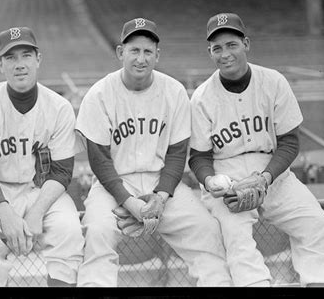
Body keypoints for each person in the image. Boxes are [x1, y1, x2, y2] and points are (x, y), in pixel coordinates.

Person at [75, 17, 232, 287]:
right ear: (120, 53)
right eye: (134, 50)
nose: (141, 58)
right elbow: (99, 161)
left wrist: (160, 198)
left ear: (157, 55)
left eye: (148, 51)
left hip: (163, 185)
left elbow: (177, 153)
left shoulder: (173, 91)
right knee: (97, 235)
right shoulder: (99, 94)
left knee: (206, 232)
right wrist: (130, 202)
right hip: (113, 184)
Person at [188, 12, 324, 287]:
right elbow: (199, 156)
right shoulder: (201, 97)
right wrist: (210, 181)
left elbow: (290, 141)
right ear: (209, 52)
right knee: (237, 240)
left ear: (246, 43)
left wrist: (264, 178)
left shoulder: (273, 82)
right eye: (217, 48)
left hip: (273, 171)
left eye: (232, 44)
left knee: (314, 224)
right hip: (227, 175)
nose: (225, 54)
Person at [0, 26, 84, 287]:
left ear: (38, 59)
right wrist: (6, 214)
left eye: (26, 55)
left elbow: (61, 171)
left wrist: (36, 212)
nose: (19, 64)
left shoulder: (58, 107)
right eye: (11, 57)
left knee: (68, 231)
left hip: (41, 191)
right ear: (0, 64)